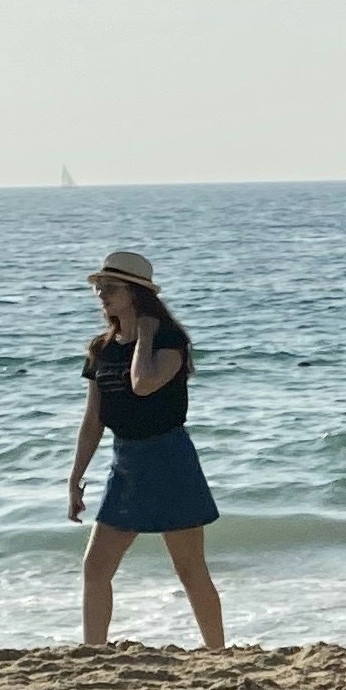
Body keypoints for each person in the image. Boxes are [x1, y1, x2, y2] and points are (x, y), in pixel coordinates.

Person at [68, 248, 224, 650]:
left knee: (189, 568)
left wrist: (148, 333)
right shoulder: (100, 349)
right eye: (99, 288)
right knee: (95, 567)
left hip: (169, 458)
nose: (101, 294)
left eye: (110, 288)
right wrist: (75, 478)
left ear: (137, 294)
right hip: (127, 463)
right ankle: (94, 652)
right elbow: (93, 421)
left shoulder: (170, 340)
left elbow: (144, 384)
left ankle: (218, 652)